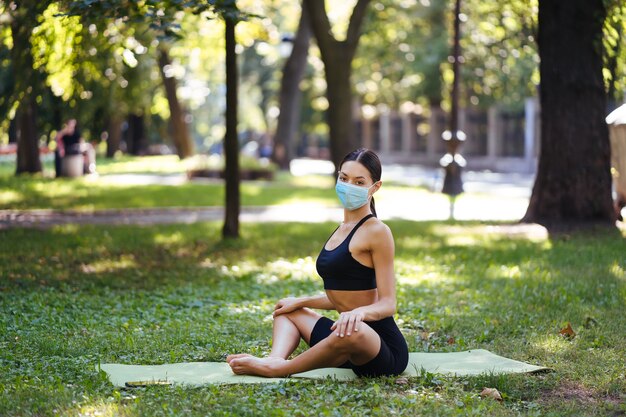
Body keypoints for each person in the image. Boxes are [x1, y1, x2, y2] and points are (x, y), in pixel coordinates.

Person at [227, 148, 408, 378]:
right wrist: (301, 301)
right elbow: (345, 296)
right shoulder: (341, 230)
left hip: (379, 347)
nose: (349, 185)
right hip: (344, 334)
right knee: (286, 310)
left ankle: (281, 369)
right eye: (344, 178)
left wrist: (359, 314)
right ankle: (275, 358)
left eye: (359, 182)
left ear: (375, 187)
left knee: (353, 331)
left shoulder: (378, 232)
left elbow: (387, 303)